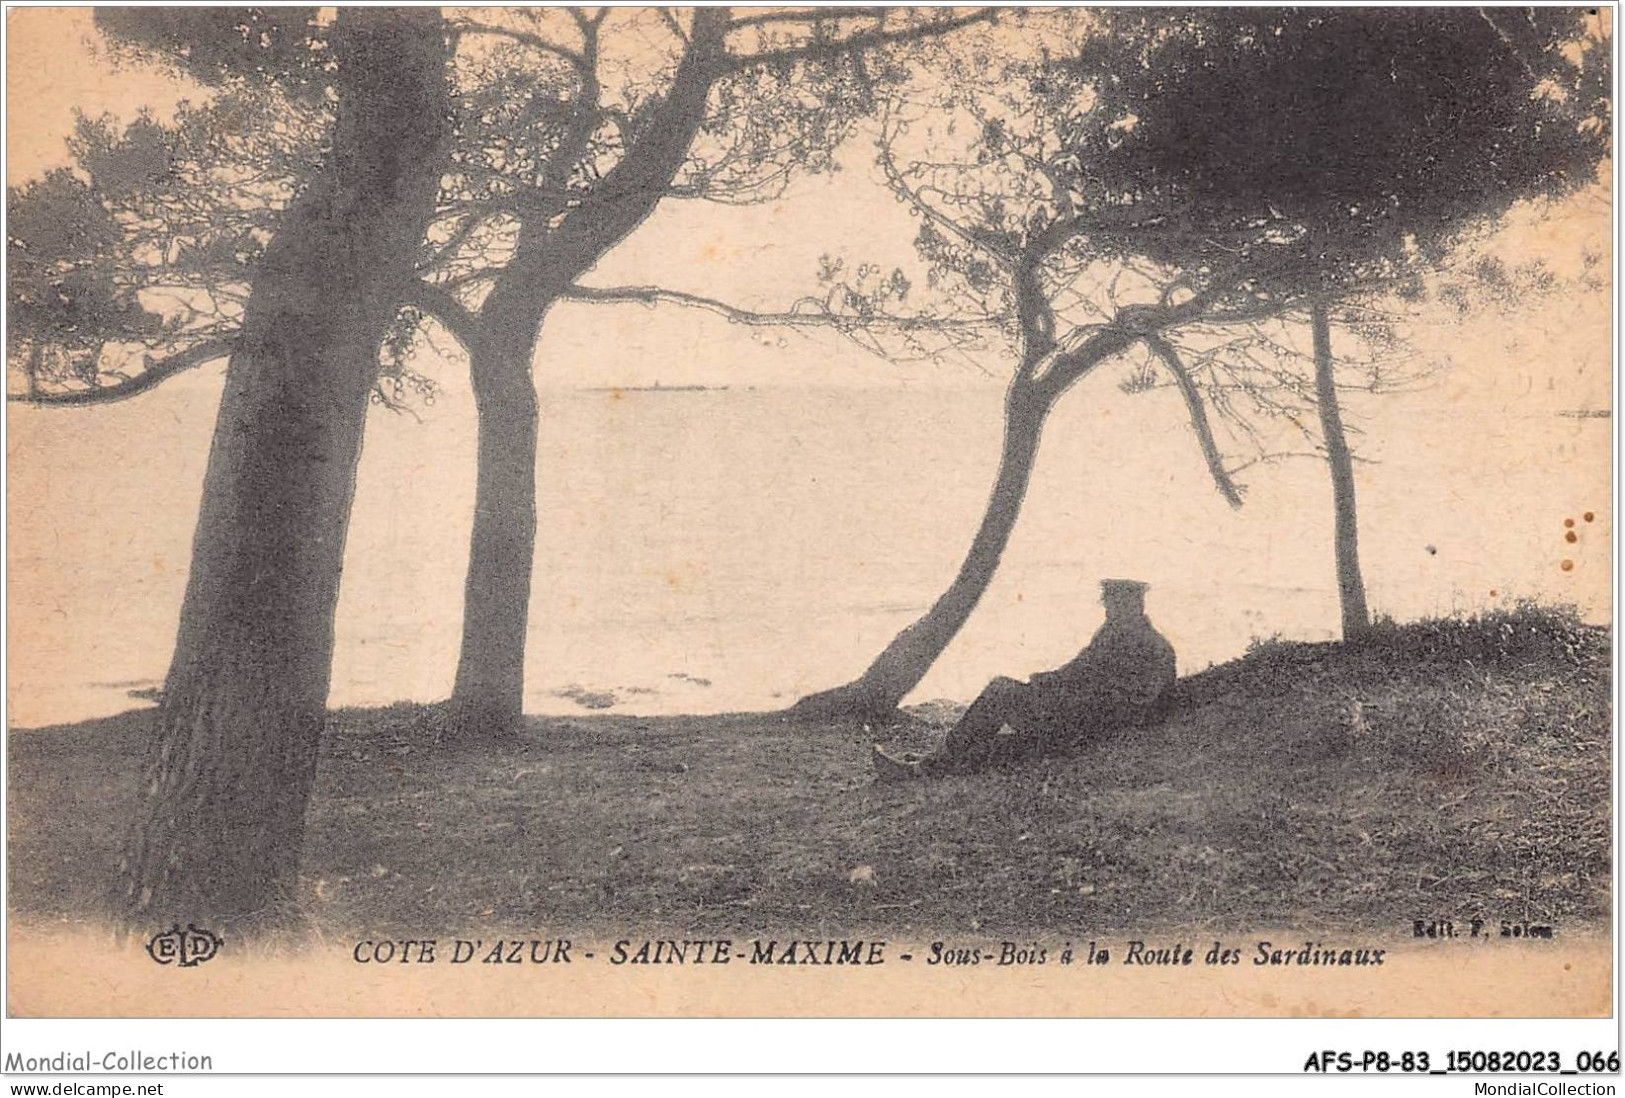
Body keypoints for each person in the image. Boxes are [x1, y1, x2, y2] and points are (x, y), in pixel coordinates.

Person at [873, 579, 1177, 780]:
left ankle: (927, 766)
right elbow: (1077, 672)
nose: (1110, 611)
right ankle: (931, 763)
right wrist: (1047, 683)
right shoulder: (1121, 635)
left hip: (1089, 727)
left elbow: (1132, 700)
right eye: (1109, 605)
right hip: (1081, 722)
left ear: (1134, 605)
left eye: (1115, 605)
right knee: (997, 746)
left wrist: (1053, 691)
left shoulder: (1146, 646)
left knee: (1000, 692)